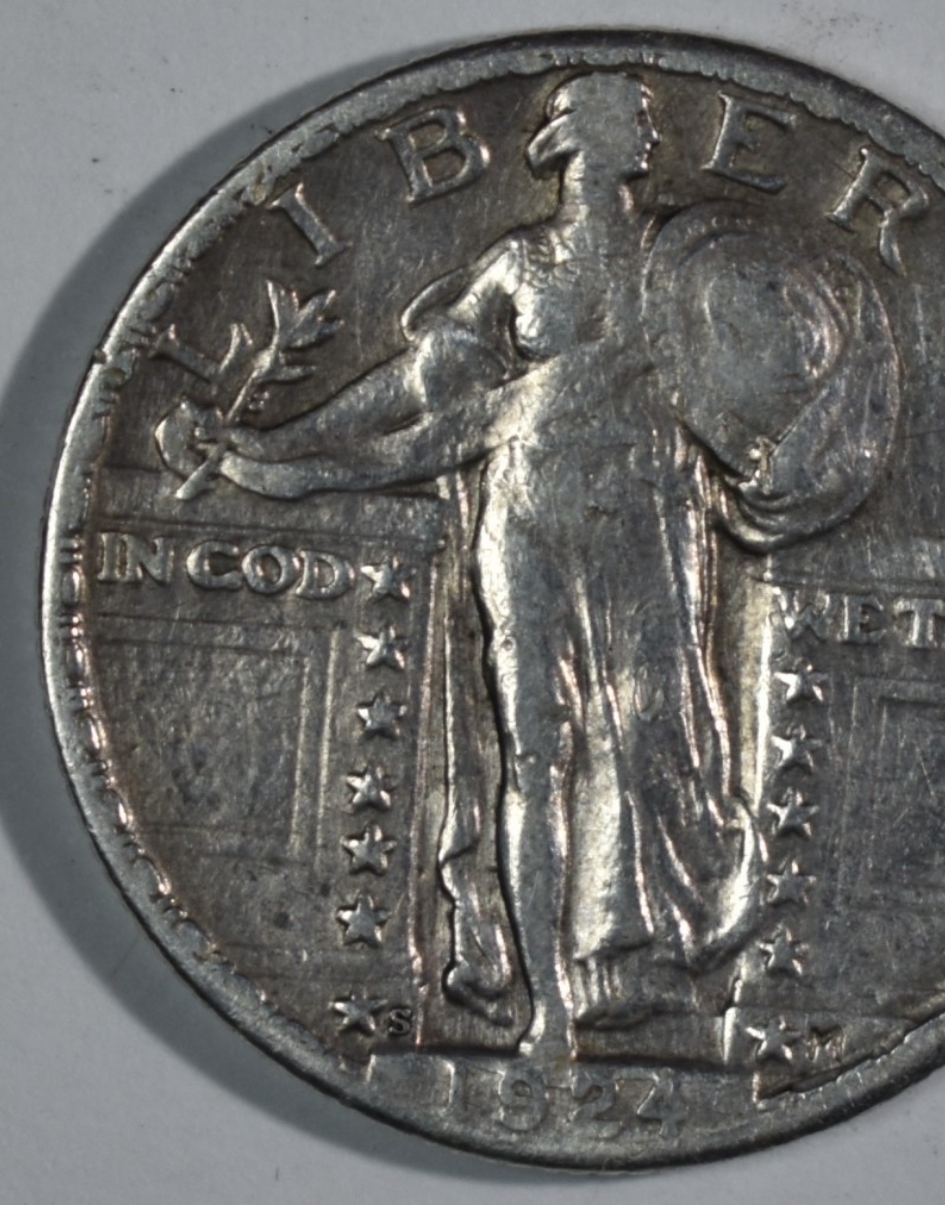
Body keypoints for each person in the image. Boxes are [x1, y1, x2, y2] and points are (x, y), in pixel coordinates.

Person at [157, 72, 899, 1058]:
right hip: (526, 514)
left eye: (643, 125)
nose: (645, 135)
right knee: (536, 755)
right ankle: (547, 1002)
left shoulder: (683, 260)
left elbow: (769, 364)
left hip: (650, 513)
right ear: (575, 145)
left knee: (658, 733)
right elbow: (416, 390)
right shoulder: (519, 264)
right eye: (626, 121)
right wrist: (276, 444)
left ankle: (643, 962)